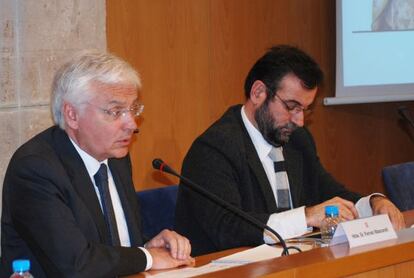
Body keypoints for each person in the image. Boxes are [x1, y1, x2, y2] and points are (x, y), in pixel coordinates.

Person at [174, 45, 405, 256]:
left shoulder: (297, 140)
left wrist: (373, 203)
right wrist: (306, 216)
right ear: (258, 93)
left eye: (305, 109)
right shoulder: (214, 148)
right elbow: (228, 228)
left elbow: (328, 191)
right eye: (292, 107)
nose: (300, 121)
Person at [1, 50, 194, 277]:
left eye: (132, 109)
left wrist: (149, 247)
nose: (131, 124)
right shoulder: (35, 169)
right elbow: (76, 265)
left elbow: (109, 244)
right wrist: (147, 258)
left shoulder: (115, 157)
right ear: (72, 115)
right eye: (115, 111)